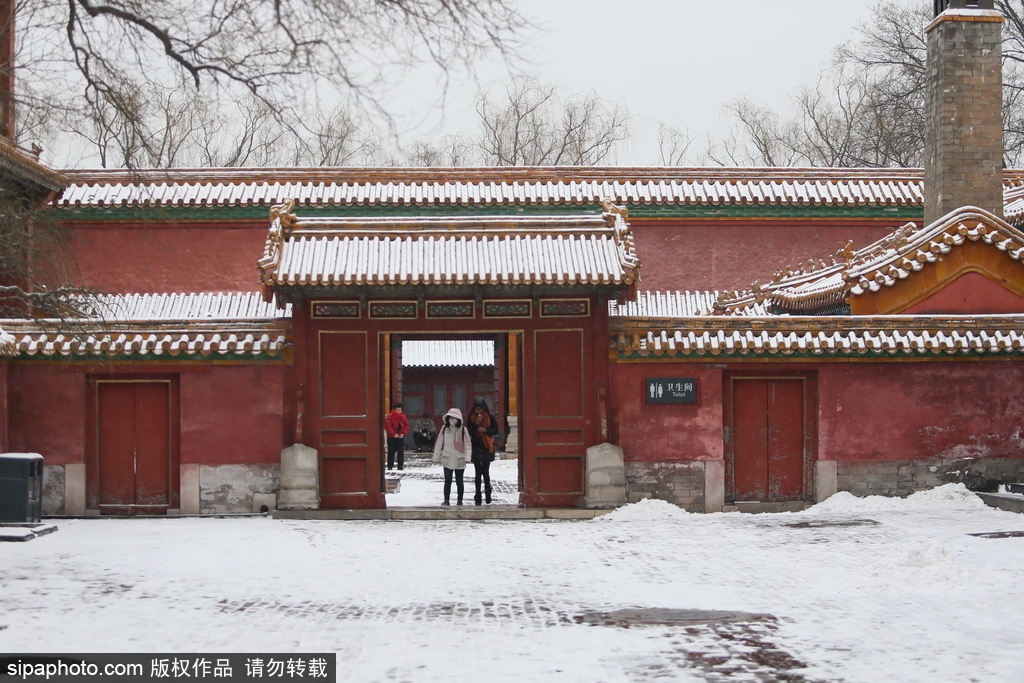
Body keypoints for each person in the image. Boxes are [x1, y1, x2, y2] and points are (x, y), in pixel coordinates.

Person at [432, 407, 470, 505]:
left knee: (459, 481)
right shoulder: (444, 429)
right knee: (447, 480)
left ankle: (460, 500)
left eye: (455, 418)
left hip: (459, 458)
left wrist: (467, 457)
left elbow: (467, 444)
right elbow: (439, 442)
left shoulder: (463, 430)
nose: (452, 420)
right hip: (447, 457)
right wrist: (436, 456)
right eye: (451, 417)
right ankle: (446, 500)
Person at [469, 398, 499, 505]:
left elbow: (495, 430)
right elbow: (469, 431)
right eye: (477, 409)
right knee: (477, 473)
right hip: (476, 445)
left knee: (486, 472)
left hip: (487, 446)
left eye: (480, 409)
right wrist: (476, 424)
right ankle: (477, 494)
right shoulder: (471, 417)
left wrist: (486, 430)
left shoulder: (489, 416)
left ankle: (488, 492)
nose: (478, 411)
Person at [384, 402, 410, 471]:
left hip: (400, 437)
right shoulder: (390, 416)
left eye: (400, 410)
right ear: (394, 410)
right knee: (391, 452)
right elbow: (388, 426)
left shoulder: (403, 417)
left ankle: (400, 466)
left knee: (400, 452)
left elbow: (407, 426)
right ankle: (390, 466)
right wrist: (393, 434)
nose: (398, 411)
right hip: (391, 437)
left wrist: (403, 433)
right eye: (397, 410)